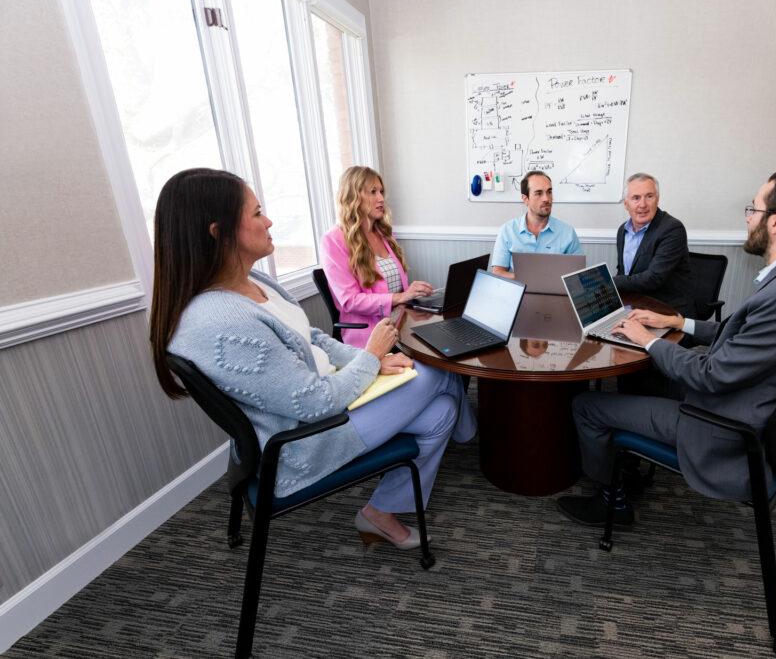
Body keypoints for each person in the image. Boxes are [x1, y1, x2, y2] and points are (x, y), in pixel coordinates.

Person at [150, 168, 475, 549]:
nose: (268, 221)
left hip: (334, 397)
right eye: (256, 214)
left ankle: (379, 514)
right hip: (306, 440)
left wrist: (368, 360)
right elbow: (315, 403)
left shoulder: (256, 282)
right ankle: (473, 438)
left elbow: (314, 336)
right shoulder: (221, 321)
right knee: (437, 374)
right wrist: (370, 360)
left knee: (440, 414)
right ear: (217, 232)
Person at [557, 168, 776, 526]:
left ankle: (612, 503)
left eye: (752, 210)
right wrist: (678, 323)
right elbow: (743, 335)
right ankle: (626, 465)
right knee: (641, 379)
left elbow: (709, 375)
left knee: (587, 405)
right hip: (749, 401)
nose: (747, 219)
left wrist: (646, 339)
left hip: (718, 423)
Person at [320, 166, 435, 348]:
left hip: (401, 325)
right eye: (373, 192)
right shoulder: (333, 240)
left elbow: (395, 290)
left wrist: (412, 295)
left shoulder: (383, 233)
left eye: (381, 191)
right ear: (353, 197)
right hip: (372, 337)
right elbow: (350, 301)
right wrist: (401, 297)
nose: (381, 198)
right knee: (438, 371)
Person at [613, 173, 697, 319]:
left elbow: (653, 278)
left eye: (649, 196)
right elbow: (623, 273)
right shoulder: (623, 230)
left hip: (668, 311)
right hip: (635, 306)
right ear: (626, 204)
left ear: (657, 200)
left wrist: (607, 282)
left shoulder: (672, 229)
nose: (643, 204)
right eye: (636, 198)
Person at [490, 170, 582, 278]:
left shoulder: (568, 233)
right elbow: (498, 272)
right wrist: (530, 279)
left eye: (549, 192)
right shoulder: (507, 230)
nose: (546, 199)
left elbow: (579, 274)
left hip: (553, 293)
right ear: (525, 199)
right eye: (538, 193)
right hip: (519, 292)